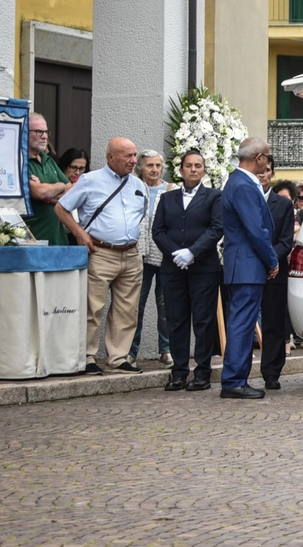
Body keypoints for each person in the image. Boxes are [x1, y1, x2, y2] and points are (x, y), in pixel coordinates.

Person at [56, 138, 149, 374]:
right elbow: (61, 208)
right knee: (92, 308)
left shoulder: (138, 184)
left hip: (130, 254)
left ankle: (118, 358)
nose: (133, 160)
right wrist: (79, 233)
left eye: (134, 155)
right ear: (110, 157)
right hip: (100, 252)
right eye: (127, 155)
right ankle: (87, 357)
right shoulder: (90, 180)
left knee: (127, 309)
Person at [153, 150, 224, 391]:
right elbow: (158, 231)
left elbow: (216, 229)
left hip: (204, 268)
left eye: (198, 165)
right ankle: (179, 372)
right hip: (172, 269)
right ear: (181, 169)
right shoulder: (167, 198)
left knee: (203, 321)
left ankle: (203, 373)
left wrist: (192, 252)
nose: (193, 169)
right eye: (189, 165)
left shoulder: (214, 196)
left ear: (204, 170)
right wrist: (176, 254)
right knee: (176, 320)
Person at [218, 138, 279, 400]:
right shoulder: (243, 184)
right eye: (267, 156)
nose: (267, 160)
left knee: (240, 322)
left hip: (242, 263)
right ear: (259, 158)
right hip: (247, 263)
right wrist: (271, 260)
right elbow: (256, 229)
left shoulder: (237, 181)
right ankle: (233, 380)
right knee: (242, 324)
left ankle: (235, 378)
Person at [129, 150, 171, 365]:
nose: (154, 170)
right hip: (137, 254)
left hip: (164, 254)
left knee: (165, 304)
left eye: (157, 165)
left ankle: (165, 349)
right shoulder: (132, 187)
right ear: (140, 168)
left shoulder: (171, 190)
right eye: (149, 166)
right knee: (136, 304)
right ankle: (131, 351)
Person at [258, 162, 297, 391]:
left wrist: (270, 260)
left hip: (275, 270)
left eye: (266, 171)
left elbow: (285, 240)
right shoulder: (244, 198)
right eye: (259, 171)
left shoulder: (283, 204)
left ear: (272, 173)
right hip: (249, 268)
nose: (263, 175)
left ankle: (271, 372)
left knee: (273, 323)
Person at [23, 113, 71, 246]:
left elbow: (72, 189)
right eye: (39, 132)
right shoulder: (20, 161)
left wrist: (49, 197)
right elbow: (39, 192)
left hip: (58, 239)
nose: (44, 136)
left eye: (45, 132)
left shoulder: (48, 160)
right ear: (25, 133)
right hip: (34, 241)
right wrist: (61, 186)